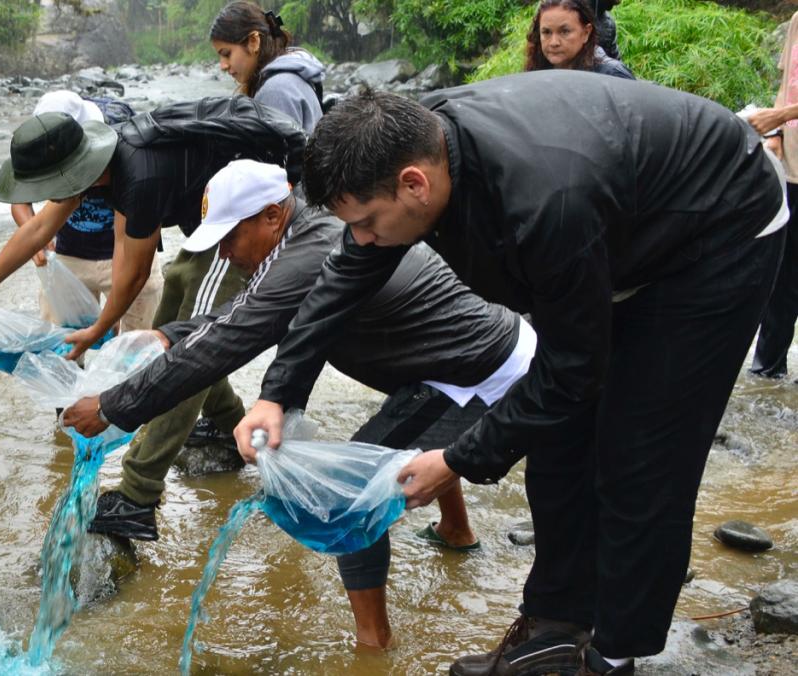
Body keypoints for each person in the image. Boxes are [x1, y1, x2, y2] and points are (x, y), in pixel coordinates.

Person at [235, 76, 786, 674]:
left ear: (414, 183)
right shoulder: (423, 152)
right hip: (618, 224)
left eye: (368, 221)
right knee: (557, 446)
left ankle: (612, 654)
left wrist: (457, 460)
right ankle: (553, 627)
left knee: (639, 454)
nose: (363, 239)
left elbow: (571, 373)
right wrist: (278, 392)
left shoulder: (545, 203)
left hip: (718, 229)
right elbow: (349, 269)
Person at [61, 159, 536, 649]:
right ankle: (456, 531)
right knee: (398, 439)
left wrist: (113, 406)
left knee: (347, 497)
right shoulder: (305, 232)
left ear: (271, 215)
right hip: (442, 366)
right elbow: (236, 316)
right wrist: (166, 334)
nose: (224, 253)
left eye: (229, 238)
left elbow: (224, 345)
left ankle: (374, 644)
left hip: (478, 376)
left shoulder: (309, 255)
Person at [0, 101, 306, 494]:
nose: (48, 198)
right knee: (166, 331)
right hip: (208, 227)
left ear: (72, 174)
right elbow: (39, 228)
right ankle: (230, 427)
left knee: (190, 353)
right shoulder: (99, 164)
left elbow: (134, 271)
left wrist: (98, 328)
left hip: (244, 225)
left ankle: (138, 492)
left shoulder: (137, 177)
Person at [14, 90, 161, 331]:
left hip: (131, 252)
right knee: (61, 348)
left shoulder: (122, 138)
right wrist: (38, 243)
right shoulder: (42, 140)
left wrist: (109, 316)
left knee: (137, 347)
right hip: (69, 256)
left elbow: (124, 240)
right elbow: (20, 200)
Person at [743, 11, 798, 379]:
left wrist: (782, 115)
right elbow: (787, 83)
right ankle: (767, 372)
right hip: (792, 168)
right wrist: (777, 134)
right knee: (783, 275)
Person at [210, 1, 325, 131]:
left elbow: (279, 151)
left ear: (253, 41)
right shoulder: (289, 76)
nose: (223, 66)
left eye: (227, 54)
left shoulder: (276, 90)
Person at [525, 0, 633, 80]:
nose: (554, 43)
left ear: (586, 32)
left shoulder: (613, 75)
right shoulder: (537, 70)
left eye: (565, 32)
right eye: (546, 32)